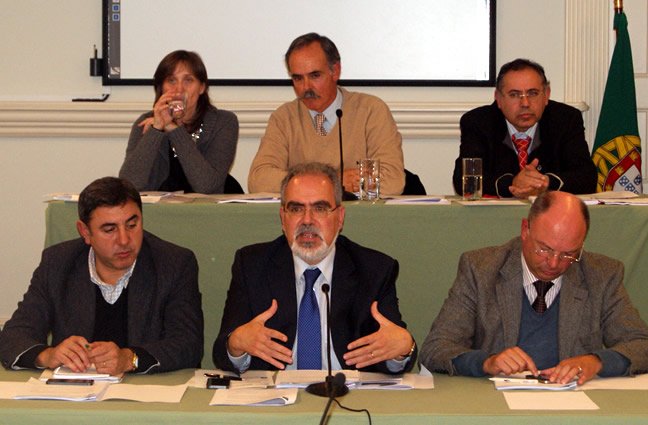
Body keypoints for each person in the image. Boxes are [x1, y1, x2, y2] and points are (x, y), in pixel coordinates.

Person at [420, 191, 648, 385]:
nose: (554, 263)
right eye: (544, 249)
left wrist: (595, 362)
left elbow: (641, 345)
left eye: (569, 253)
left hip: (572, 406)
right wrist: (487, 362)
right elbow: (436, 349)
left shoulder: (602, 274)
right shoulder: (481, 269)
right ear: (525, 231)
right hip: (496, 404)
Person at [214, 162, 416, 373]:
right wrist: (236, 344)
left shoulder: (374, 269)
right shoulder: (252, 265)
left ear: (340, 217)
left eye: (319, 208)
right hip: (275, 399)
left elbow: (392, 347)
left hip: (347, 397)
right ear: (283, 218)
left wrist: (403, 349)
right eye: (296, 209)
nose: (307, 220)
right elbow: (223, 352)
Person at [0, 177, 204, 374]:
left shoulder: (173, 263)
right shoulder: (58, 263)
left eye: (132, 225)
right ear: (85, 232)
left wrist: (130, 358)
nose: (124, 240)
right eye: (109, 229)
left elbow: (188, 345)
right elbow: (14, 335)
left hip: (145, 397)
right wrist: (47, 355)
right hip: (74, 397)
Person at [247, 33, 405, 195]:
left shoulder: (371, 111)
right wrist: (334, 181)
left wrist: (298, 184)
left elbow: (392, 180)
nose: (306, 87)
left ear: (335, 71)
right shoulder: (284, 118)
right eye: (298, 78)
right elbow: (258, 181)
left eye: (315, 76)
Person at [452, 58, 597, 199]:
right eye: (514, 95)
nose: (525, 103)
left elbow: (587, 177)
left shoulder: (566, 119)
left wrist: (544, 182)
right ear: (498, 99)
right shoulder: (478, 122)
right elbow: (464, 180)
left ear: (546, 95)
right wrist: (513, 183)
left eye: (533, 93)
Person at [119, 50, 239, 194]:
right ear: (161, 87)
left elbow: (207, 186)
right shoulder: (147, 123)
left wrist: (174, 129)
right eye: (171, 80)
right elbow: (129, 186)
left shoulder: (224, 122)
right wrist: (156, 129)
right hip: (160, 212)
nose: (179, 89)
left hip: (208, 212)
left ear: (202, 87)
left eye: (188, 80)